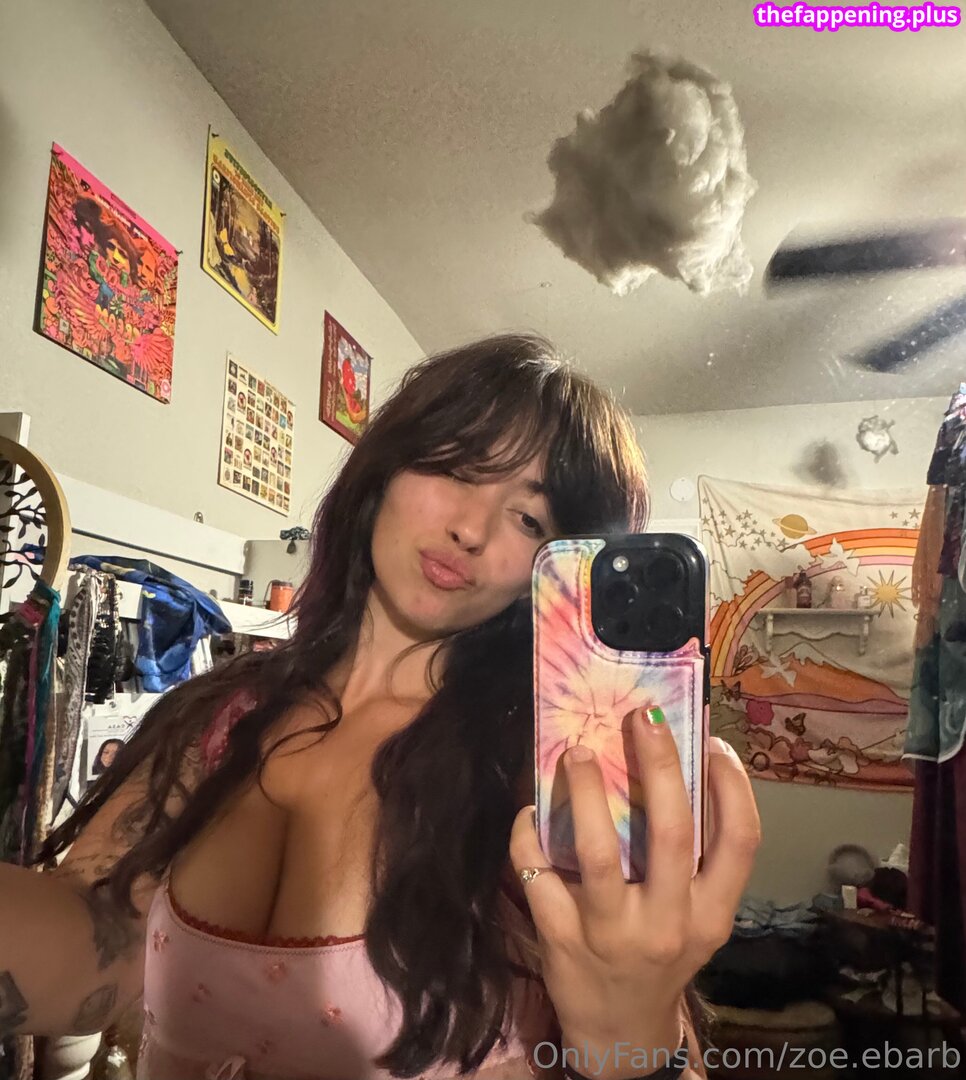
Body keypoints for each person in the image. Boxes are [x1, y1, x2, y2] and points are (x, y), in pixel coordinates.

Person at [0, 334, 759, 1079]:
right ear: (386, 470)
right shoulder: (221, 718)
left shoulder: (550, 774)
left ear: (555, 568)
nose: (469, 529)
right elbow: (94, 941)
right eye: (455, 468)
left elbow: (647, 1033)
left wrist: (631, 1039)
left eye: (530, 519)